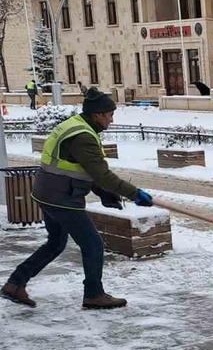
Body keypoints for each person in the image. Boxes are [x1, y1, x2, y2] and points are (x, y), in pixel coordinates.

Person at [1, 88, 155, 309]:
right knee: (93, 244)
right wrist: (134, 193)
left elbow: (79, 168)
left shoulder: (77, 125)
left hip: (47, 192)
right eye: (110, 114)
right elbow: (102, 175)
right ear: (97, 114)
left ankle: (15, 284)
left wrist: (103, 193)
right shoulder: (83, 137)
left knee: (56, 243)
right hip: (62, 197)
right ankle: (94, 294)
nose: (112, 120)